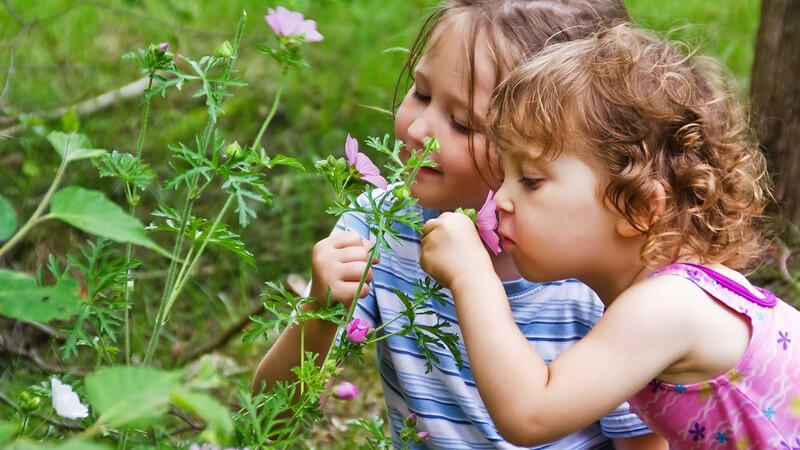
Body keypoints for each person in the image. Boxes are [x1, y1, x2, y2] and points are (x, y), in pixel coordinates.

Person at [254, 2, 667, 448]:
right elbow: (268, 422)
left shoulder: (597, 279)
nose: (419, 128)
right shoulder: (380, 230)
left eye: (463, 123)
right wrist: (319, 312)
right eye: (421, 93)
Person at [419, 23, 800, 448]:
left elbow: (530, 414)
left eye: (529, 179)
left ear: (637, 207)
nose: (501, 199)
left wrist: (473, 278)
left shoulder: (668, 305)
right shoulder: (667, 294)